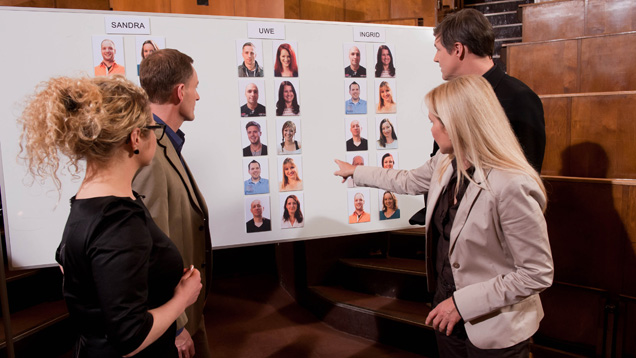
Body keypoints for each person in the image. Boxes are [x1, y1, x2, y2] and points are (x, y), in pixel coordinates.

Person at [334, 75, 553, 356]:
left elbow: (536, 273)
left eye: (434, 122)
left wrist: (462, 304)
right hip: (446, 312)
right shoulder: (445, 160)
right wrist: (356, 172)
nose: (432, 129)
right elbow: (408, 180)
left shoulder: (511, 184)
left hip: (495, 327)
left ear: (458, 124)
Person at [18, 75, 202, 357]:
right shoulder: (118, 223)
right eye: (152, 129)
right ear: (135, 138)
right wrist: (182, 299)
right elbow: (129, 338)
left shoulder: (91, 202)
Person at [133, 49, 213, 358]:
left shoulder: (164, 142)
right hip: (169, 323)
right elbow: (150, 250)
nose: (198, 96)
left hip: (186, 309)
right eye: (195, 86)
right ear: (180, 92)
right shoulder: (149, 154)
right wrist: (177, 326)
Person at [432, 8, 545, 172]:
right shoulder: (451, 96)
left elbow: (526, 177)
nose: (435, 58)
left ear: (458, 49)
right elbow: (439, 164)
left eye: (438, 49)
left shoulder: (520, 98)